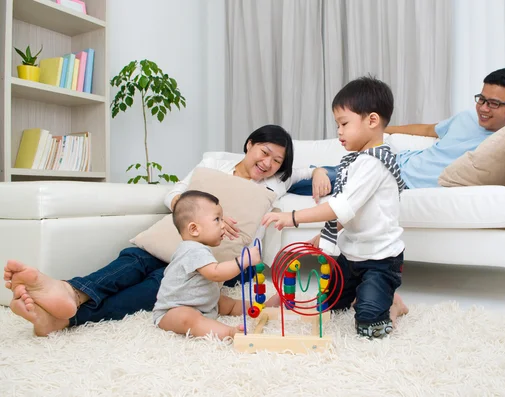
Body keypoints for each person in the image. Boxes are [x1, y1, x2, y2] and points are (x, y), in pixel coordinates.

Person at [4, 125, 332, 337]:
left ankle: (68, 310)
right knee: (136, 258)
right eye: (265, 152)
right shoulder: (215, 166)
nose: (268, 163)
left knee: (160, 285)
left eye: (277, 160)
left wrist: (318, 170)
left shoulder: (277, 181)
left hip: (217, 259)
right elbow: (172, 192)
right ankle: (70, 295)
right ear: (250, 144)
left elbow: (314, 170)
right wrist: (196, 213)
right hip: (183, 233)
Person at [262, 76, 409, 339]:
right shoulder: (358, 160)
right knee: (329, 304)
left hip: (380, 259)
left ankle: (392, 303)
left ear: (372, 121)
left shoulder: (374, 162)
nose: (339, 132)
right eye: (337, 125)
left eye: (344, 124)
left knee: (370, 326)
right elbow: (350, 212)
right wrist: (321, 237)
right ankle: (371, 293)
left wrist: (292, 217)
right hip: (351, 255)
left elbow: (338, 207)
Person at [289, 67, 505, 194]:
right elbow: (428, 129)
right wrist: (381, 128)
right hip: (392, 163)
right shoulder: (465, 119)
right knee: (299, 177)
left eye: (494, 103)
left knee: (313, 183)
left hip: (395, 182)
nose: (483, 108)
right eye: (481, 99)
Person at [153, 190, 279, 339]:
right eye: (217, 219)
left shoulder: (198, 248)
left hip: (203, 303)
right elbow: (216, 273)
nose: (223, 226)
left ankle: (259, 308)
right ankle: (229, 332)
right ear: (194, 229)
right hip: (172, 311)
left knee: (226, 302)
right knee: (187, 318)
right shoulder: (192, 250)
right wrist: (243, 261)